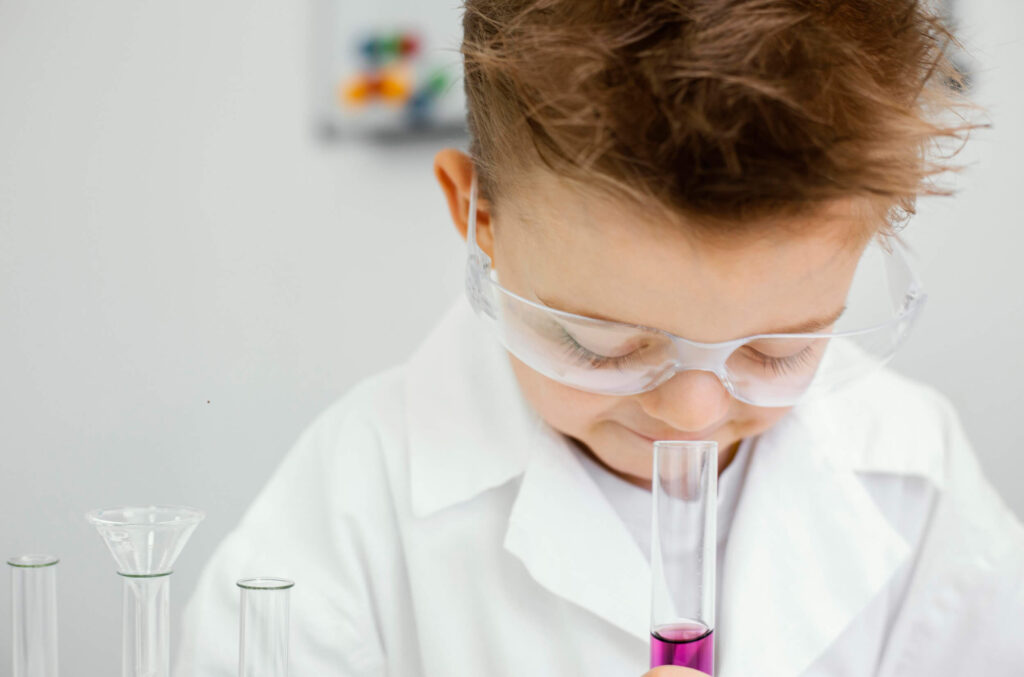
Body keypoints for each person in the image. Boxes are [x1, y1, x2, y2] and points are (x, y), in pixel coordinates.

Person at [175, 1, 1024, 675]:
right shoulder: (352, 505)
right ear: (478, 219)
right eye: (603, 344)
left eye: (777, 352)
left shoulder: (919, 475)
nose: (691, 414)